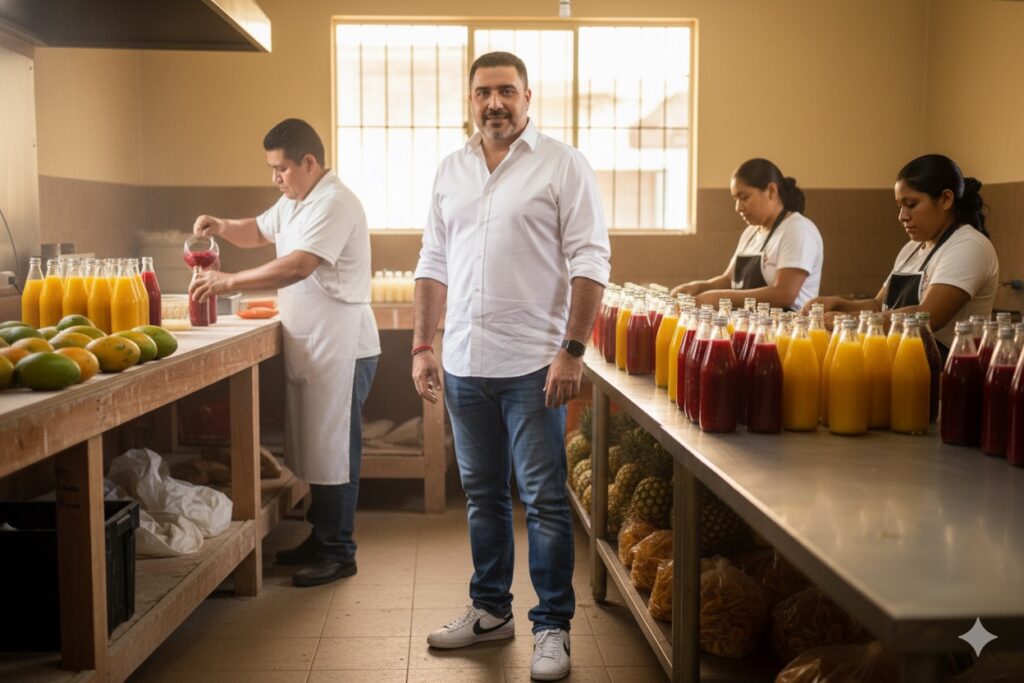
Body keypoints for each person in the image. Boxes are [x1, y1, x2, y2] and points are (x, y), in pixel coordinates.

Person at [411, 51, 610, 681]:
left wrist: (572, 350)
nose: (494, 102)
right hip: (466, 363)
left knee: (546, 501)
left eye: (506, 91)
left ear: (528, 96)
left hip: (534, 365)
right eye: (482, 93)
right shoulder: (451, 169)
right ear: (469, 100)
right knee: (482, 498)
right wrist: (423, 344)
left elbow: (591, 261)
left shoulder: (562, 164)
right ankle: (490, 610)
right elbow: (433, 263)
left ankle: (552, 626)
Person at [190, 118, 380, 587]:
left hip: (343, 345)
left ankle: (340, 551)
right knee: (319, 446)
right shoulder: (297, 200)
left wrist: (229, 281)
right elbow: (257, 229)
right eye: (272, 169)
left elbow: (299, 264)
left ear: (309, 162)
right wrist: (221, 225)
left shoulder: (333, 202)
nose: (275, 177)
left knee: (337, 450)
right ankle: (322, 538)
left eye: (281, 169)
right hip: (317, 343)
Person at [802, 154, 998, 353]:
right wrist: (838, 303)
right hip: (898, 360)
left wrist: (850, 320)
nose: (902, 216)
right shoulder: (912, 248)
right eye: (900, 206)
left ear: (946, 199)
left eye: (911, 204)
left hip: (944, 370)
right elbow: (879, 305)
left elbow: (928, 316)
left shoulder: (969, 246)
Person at [670, 158, 823, 311]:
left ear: (771, 191)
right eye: (735, 199)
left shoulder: (797, 229)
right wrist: (698, 287)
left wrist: (718, 298)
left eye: (744, 197)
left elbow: (784, 294)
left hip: (788, 330)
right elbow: (730, 280)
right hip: (750, 328)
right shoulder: (751, 233)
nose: (738, 208)